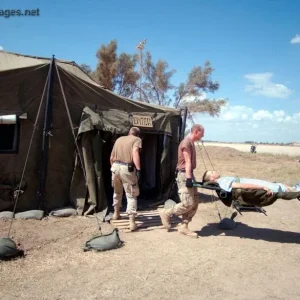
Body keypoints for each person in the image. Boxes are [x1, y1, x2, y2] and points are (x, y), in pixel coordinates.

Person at [159, 124, 205, 238]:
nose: (203, 135)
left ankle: (184, 226)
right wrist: (189, 179)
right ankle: (166, 213)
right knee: (188, 202)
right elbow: (187, 161)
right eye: (202, 133)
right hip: (184, 174)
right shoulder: (186, 142)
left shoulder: (191, 142)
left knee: (195, 202)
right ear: (196, 132)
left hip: (189, 173)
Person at [110, 127, 142, 231]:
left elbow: (111, 157)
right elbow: (135, 153)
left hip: (115, 167)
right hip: (126, 168)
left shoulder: (119, 139)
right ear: (137, 134)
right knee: (131, 194)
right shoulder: (137, 140)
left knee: (117, 191)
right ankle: (132, 222)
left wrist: (113, 168)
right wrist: (138, 169)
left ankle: (116, 214)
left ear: (129, 133)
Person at [202, 170, 300, 199]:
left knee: (281, 186)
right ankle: (296, 190)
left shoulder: (222, 180)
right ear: (212, 178)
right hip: (257, 185)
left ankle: (294, 188)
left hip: (255, 183)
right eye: (212, 172)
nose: (215, 171)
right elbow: (242, 186)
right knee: (281, 189)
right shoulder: (223, 181)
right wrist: (262, 187)